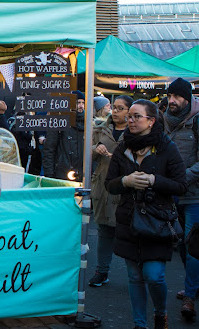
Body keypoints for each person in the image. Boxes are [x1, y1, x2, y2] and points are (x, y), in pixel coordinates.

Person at [105, 99, 186, 329]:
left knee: (154, 275)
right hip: (129, 220)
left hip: (156, 222)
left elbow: (181, 185)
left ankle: (160, 313)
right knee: (134, 277)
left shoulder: (166, 147)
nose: (130, 120)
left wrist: (154, 180)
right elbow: (109, 184)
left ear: (151, 121)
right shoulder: (122, 147)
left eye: (136, 116)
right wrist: (125, 180)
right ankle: (139, 324)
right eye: (129, 116)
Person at [161, 77, 199, 320]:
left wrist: (182, 178)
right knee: (181, 244)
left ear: (187, 98)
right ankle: (193, 284)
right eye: (170, 96)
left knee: (192, 242)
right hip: (170, 192)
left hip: (194, 193)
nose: (171, 100)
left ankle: (190, 296)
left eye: (176, 96)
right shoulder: (162, 119)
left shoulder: (197, 120)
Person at [88, 95, 133, 287]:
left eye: (120, 108)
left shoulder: (135, 131)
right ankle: (102, 271)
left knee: (129, 232)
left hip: (126, 187)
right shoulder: (100, 128)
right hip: (103, 185)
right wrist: (94, 149)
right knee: (104, 231)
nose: (115, 111)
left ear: (130, 111)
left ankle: (135, 275)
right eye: (114, 107)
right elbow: (87, 153)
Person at [43, 90, 85, 181]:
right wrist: (49, 177)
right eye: (78, 102)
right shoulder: (59, 122)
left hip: (82, 175)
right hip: (62, 175)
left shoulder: (88, 123)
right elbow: (49, 150)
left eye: (83, 103)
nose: (81, 106)